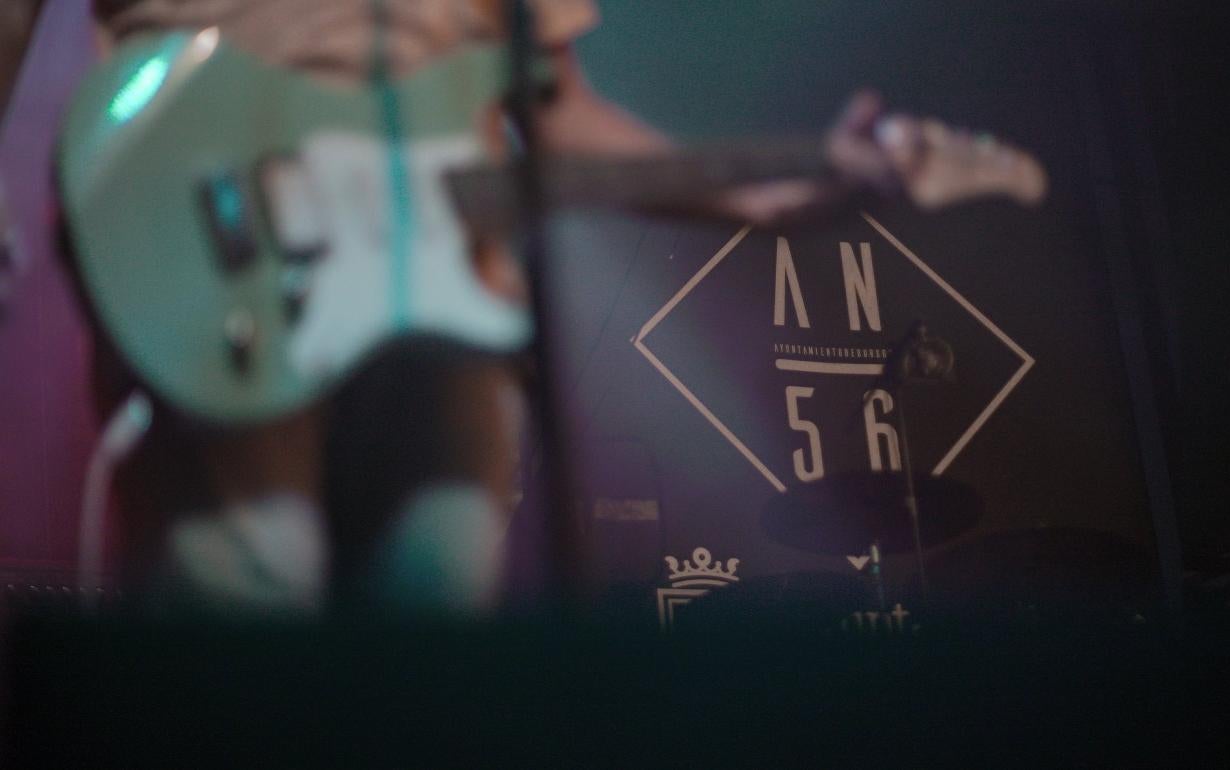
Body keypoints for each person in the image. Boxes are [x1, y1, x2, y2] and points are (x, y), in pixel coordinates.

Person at [72, 0, 920, 615]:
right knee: (241, 611)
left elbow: (557, 110)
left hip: (446, 301)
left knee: (432, 624)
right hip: (211, 242)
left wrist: (769, 194)